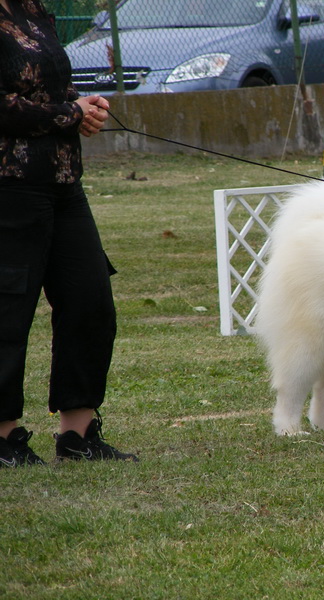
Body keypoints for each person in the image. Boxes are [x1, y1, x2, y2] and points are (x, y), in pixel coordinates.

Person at [0, 0, 138, 466]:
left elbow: (48, 85)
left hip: (62, 183)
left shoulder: (34, 9)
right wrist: (68, 114)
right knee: (8, 309)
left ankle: (78, 436)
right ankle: (3, 437)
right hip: (8, 184)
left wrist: (85, 107)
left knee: (90, 298)